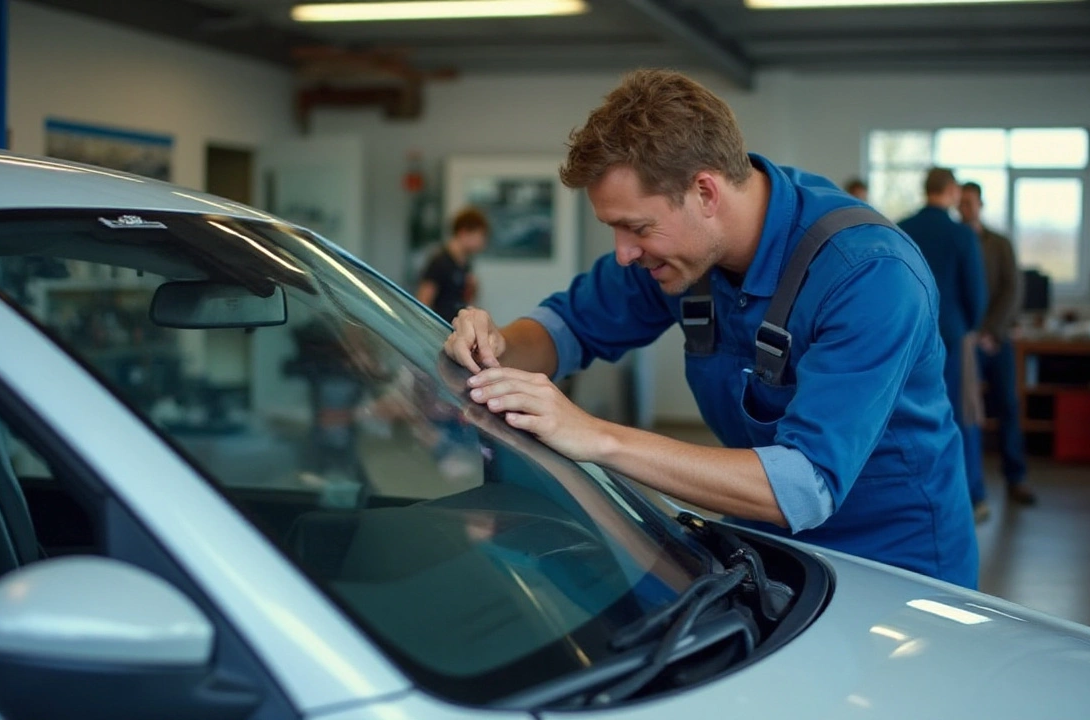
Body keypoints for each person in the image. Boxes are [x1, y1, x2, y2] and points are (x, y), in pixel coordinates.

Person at [443, 70, 978, 588]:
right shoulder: (677, 256)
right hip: (765, 545)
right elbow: (568, 328)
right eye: (615, 229)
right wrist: (498, 343)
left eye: (637, 228)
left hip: (896, 565)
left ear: (705, 192)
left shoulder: (870, 275)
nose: (624, 254)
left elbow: (803, 486)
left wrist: (596, 436)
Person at [898, 169, 990, 522]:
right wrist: (967, 326)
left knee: (914, 416)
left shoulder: (902, 227)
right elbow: (977, 295)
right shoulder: (961, 235)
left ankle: (920, 497)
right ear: (951, 191)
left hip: (910, 337)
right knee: (961, 414)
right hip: (952, 335)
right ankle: (972, 496)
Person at [959, 182, 1036, 506]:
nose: (965, 208)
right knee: (965, 413)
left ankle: (1015, 478)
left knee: (1008, 406)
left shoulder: (999, 244)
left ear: (981, 204)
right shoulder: (955, 241)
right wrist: (972, 333)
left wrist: (991, 330)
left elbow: (1012, 290)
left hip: (998, 339)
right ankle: (969, 487)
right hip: (965, 342)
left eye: (970, 203)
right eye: (960, 203)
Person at [416, 207, 488, 320]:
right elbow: (423, 300)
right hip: (440, 328)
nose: (482, 242)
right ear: (464, 233)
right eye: (480, 235)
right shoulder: (440, 262)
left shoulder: (465, 264)